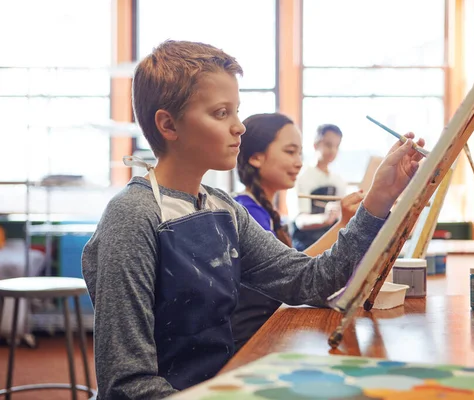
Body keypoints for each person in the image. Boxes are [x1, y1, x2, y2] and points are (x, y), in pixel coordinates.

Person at [81, 39, 425, 399]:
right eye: (220, 113)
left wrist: (379, 198)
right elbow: (127, 384)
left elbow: (313, 281)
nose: (239, 127)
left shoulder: (224, 209)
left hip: (224, 386)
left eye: (237, 111)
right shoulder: (133, 217)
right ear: (169, 125)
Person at [231, 112, 364, 351]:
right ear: (256, 157)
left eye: (299, 153)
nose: (299, 162)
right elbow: (300, 275)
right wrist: (343, 223)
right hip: (251, 342)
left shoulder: (264, 210)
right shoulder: (248, 213)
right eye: (290, 152)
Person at [292, 124, 347, 251]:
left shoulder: (338, 180)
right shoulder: (302, 177)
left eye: (337, 146)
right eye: (328, 145)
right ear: (316, 144)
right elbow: (300, 220)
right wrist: (325, 218)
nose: (333, 150)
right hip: (306, 244)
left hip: (332, 243)